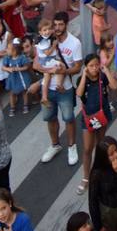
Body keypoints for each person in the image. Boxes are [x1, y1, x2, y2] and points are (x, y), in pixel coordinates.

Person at [36, 12, 83, 167]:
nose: (56, 28)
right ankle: (55, 145)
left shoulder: (74, 43)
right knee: (50, 118)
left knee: (69, 118)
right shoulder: (45, 40)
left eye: (60, 24)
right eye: (54, 24)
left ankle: (71, 146)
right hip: (48, 87)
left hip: (66, 88)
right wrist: (50, 72)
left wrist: (63, 72)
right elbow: (36, 64)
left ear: (66, 24)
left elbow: (77, 67)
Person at [74, 53, 117, 195]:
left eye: (96, 65)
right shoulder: (83, 79)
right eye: (91, 66)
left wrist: (106, 71)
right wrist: (84, 76)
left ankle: (101, 171)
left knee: (101, 145)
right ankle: (86, 177)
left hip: (102, 114)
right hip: (88, 118)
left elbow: (114, 86)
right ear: (86, 67)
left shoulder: (102, 76)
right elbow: (79, 93)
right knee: (87, 148)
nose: (94, 68)